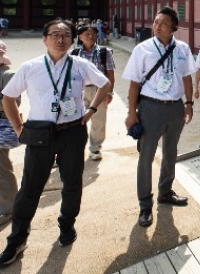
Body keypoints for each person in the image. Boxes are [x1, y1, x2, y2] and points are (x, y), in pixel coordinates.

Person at [0, 19, 111, 265]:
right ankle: (17, 239)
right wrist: (19, 129)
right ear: (44, 38)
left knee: (72, 183)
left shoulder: (80, 65)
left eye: (65, 35)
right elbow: (8, 98)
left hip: (73, 132)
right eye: (54, 34)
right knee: (30, 188)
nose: (60, 40)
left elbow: (105, 84)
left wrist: (91, 110)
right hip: (39, 134)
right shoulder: (31, 67)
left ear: (72, 39)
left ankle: (67, 225)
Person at [122, 7, 197, 228]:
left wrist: (189, 103)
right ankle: (145, 204)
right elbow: (134, 84)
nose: (157, 26)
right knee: (146, 156)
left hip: (175, 108)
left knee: (170, 152)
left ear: (174, 27)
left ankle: (165, 191)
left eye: (163, 23)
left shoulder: (182, 49)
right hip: (150, 109)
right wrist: (131, 113)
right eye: (155, 22)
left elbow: (186, 79)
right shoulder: (142, 49)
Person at [73, 25, 116, 161]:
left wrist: (109, 92)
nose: (90, 36)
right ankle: (76, 147)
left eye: (93, 34)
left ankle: (95, 148)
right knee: (77, 119)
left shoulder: (104, 52)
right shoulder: (74, 54)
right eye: (87, 34)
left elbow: (110, 74)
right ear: (80, 36)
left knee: (99, 119)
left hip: (99, 89)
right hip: (80, 90)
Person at [0, 42, 18, 228]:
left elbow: (13, 102)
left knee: (2, 168)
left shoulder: (8, 75)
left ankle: (9, 207)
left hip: (2, 124)